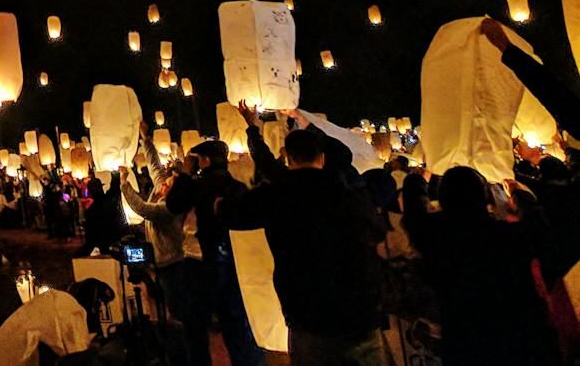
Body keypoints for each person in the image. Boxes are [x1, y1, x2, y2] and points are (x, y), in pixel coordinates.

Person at [219, 123, 387, 365]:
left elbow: (234, 213)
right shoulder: (347, 191)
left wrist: (218, 202)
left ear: (287, 157)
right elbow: (377, 231)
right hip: (359, 310)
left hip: (307, 310)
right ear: (322, 157)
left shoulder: (278, 193)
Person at [401, 165, 560, 365]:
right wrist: (519, 195)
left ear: (442, 199)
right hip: (521, 334)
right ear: (485, 197)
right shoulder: (507, 237)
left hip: (466, 339)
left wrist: (416, 180)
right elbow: (539, 228)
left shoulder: (435, 239)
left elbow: (414, 214)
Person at [166, 140, 264, 366]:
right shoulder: (237, 186)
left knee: (196, 327)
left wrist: (184, 173)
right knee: (236, 325)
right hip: (232, 261)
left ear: (205, 160)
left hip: (199, 262)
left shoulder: (197, 185)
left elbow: (173, 204)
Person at [119, 125, 201, 365]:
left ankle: (185, 354)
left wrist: (124, 183)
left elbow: (143, 209)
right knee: (164, 306)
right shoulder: (161, 189)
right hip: (161, 261)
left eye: (170, 184)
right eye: (166, 182)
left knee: (177, 311)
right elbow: (154, 166)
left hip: (172, 263)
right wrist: (146, 139)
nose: (163, 184)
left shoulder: (170, 208)